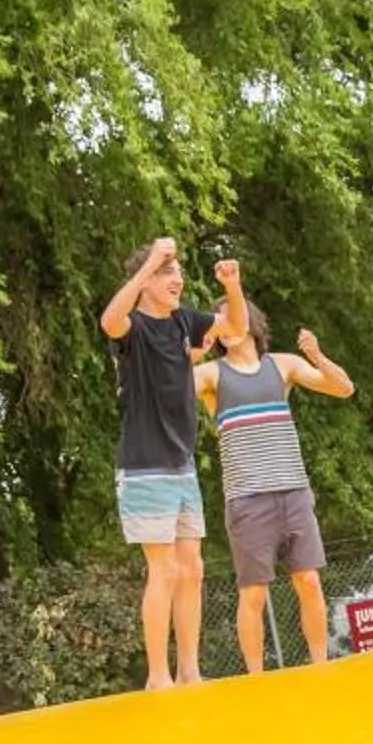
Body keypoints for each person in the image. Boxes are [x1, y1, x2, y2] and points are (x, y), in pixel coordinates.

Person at [98, 237, 244, 691]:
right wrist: (147, 266)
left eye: (177, 270)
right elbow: (109, 320)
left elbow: (234, 328)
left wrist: (232, 286)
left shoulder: (183, 322)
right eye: (166, 271)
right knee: (163, 570)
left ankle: (190, 671)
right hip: (145, 466)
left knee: (193, 568)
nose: (176, 278)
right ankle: (158, 676)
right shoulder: (134, 329)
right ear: (144, 282)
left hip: (181, 464)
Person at [195, 300, 356, 673]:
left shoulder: (282, 366)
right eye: (220, 319)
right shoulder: (212, 375)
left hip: (293, 492)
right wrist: (195, 348)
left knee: (310, 581)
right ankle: (257, 679)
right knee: (253, 594)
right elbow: (166, 388)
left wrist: (316, 355)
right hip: (247, 500)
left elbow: (343, 388)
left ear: (251, 320)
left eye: (233, 314)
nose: (228, 322)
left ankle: (321, 667)